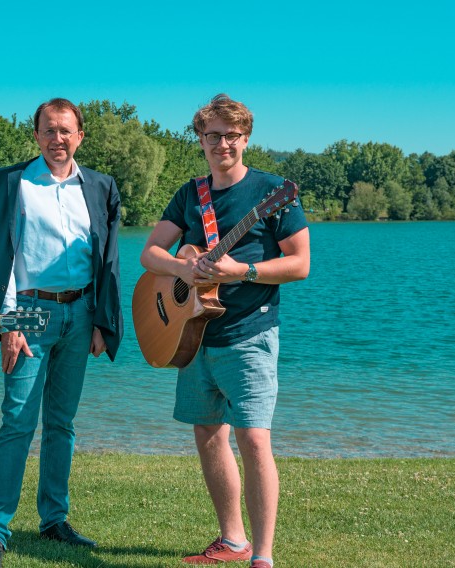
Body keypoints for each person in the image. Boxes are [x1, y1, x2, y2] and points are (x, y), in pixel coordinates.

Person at [139, 94, 310, 568]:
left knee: (254, 438)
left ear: (245, 138)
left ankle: (263, 556)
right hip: (193, 334)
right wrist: (182, 268)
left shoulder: (272, 192)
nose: (221, 144)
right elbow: (150, 253)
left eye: (230, 135)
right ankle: (231, 540)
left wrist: (244, 272)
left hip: (250, 333)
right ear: (200, 140)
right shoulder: (190, 193)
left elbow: (300, 264)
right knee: (208, 432)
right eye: (212, 135)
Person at [0, 98, 123, 568]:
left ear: (80, 136)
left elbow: (108, 260)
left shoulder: (101, 187)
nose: (57, 139)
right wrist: (7, 321)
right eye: (49, 130)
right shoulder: (11, 181)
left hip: (81, 313)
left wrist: (103, 323)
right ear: (37, 135)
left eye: (66, 130)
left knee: (62, 424)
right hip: (28, 312)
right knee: (17, 423)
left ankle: (54, 520)